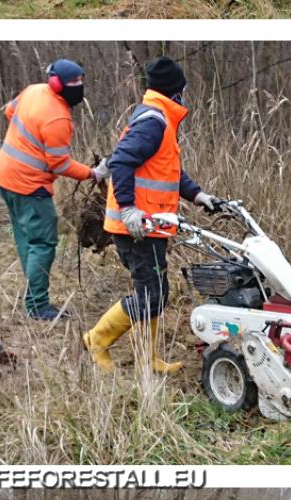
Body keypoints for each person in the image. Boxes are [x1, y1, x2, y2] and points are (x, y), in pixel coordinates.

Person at [83, 56, 217, 374]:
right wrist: (129, 209)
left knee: (153, 292)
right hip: (136, 226)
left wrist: (199, 196)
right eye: (183, 90)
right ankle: (96, 340)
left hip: (151, 225)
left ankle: (148, 357)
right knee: (152, 295)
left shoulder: (158, 120)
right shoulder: (154, 121)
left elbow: (168, 171)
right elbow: (121, 161)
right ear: (175, 92)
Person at [0, 59, 110, 320]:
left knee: (26, 236)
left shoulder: (33, 90)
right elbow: (59, 164)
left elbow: (9, 113)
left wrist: (26, 142)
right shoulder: (58, 117)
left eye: (81, 81)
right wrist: (94, 173)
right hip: (28, 185)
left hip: (3, 175)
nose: (79, 86)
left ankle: (32, 289)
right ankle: (38, 305)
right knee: (43, 242)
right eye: (73, 83)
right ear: (56, 83)